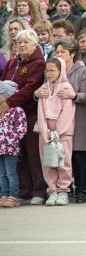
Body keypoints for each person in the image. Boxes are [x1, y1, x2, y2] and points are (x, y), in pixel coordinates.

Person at [1, 29, 46, 203]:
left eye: (26, 42)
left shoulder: (38, 63)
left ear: (34, 44)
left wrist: (8, 102)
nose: (22, 45)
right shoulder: (12, 62)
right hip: (9, 117)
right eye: (19, 42)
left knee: (32, 153)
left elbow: (31, 88)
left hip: (30, 114)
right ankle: (23, 189)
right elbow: (2, 80)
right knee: (16, 154)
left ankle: (38, 191)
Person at [50, 38, 86, 203]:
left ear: (72, 54)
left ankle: (81, 190)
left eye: (63, 52)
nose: (59, 55)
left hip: (77, 117)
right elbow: (45, 88)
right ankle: (62, 189)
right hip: (57, 119)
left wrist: (73, 95)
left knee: (78, 155)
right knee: (60, 156)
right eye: (57, 52)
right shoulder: (54, 70)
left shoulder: (82, 71)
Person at [34, 57, 75, 206]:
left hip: (62, 133)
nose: (49, 73)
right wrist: (45, 132)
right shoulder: (44, 88)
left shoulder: (66, 88)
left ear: (60, 70)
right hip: (45, 132)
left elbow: (68, 112)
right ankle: (52, 190)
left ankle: (63, 190)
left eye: (52, 70)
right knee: (48, 161)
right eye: (47, 70)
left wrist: (58, 131)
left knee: (63, 161)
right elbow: (41, 111)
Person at [0, 79, 26, 208]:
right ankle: (3, 194)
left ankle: (13, 195)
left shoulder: (17, 111)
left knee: (11, 172)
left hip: (11, 148)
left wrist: (11, 140)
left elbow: (21, 129)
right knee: (1, 173)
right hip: (0, 148)